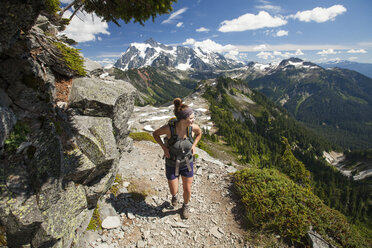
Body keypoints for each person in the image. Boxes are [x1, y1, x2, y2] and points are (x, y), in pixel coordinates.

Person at [153, 98, 202, 219]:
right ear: (183, 120)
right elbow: (155, 134)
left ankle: (185, 206)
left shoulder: (192, 128)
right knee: (173, 190)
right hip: (172, 163)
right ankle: (174, 196)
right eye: (190, 118)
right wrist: (164, 148)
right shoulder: (169, 129)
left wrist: (194, 146)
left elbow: (199, 133)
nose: (193, 120)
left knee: (188, 189)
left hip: (187, 162)